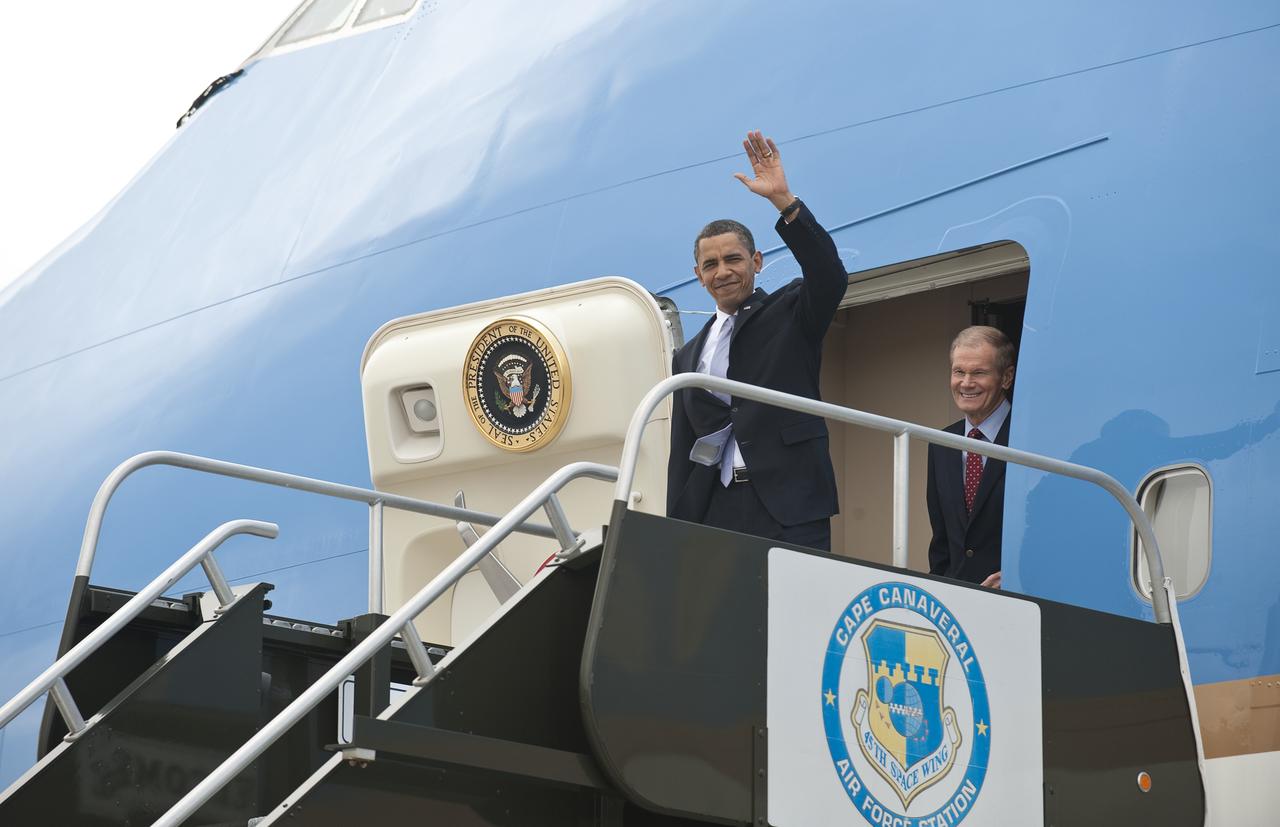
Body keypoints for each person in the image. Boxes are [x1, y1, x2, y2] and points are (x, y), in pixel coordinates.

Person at [666, 131, 847, 550]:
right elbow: (682, 449)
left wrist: (783, 200)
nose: (722, 271)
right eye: (710, 264)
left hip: (791, 505)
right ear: (698, 276)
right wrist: (675, 528)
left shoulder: (790, 312)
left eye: (733, 259)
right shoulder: (687, 356)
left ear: (757, 262)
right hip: (718, 511)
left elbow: (830, 275)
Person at [926, 326, 1015, 587]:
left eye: (978, 372)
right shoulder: (941, 443)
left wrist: (1019, 578)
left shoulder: (1031, 438)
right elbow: (941, 542)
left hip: (1021, 601)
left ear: (1006, 378)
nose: (966, 383)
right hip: (959, 604)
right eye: (958, 372)